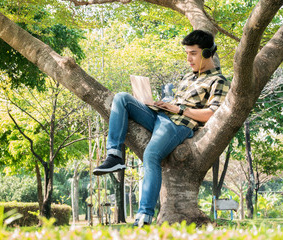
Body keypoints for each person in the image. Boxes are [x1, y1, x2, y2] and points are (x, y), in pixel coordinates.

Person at [93, 30, 230, 227]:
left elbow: (212, 114)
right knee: (122, 98)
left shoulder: (218, 81)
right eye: (186, 53)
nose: (188, 58)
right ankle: (114, 155)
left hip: (178, 125)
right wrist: (160, 103)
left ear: (207, 53)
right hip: (160, 115)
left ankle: (144, 216)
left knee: (151, 156)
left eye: (193, 53)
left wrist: (180, 109)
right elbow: (175, 103)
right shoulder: (188, 77)